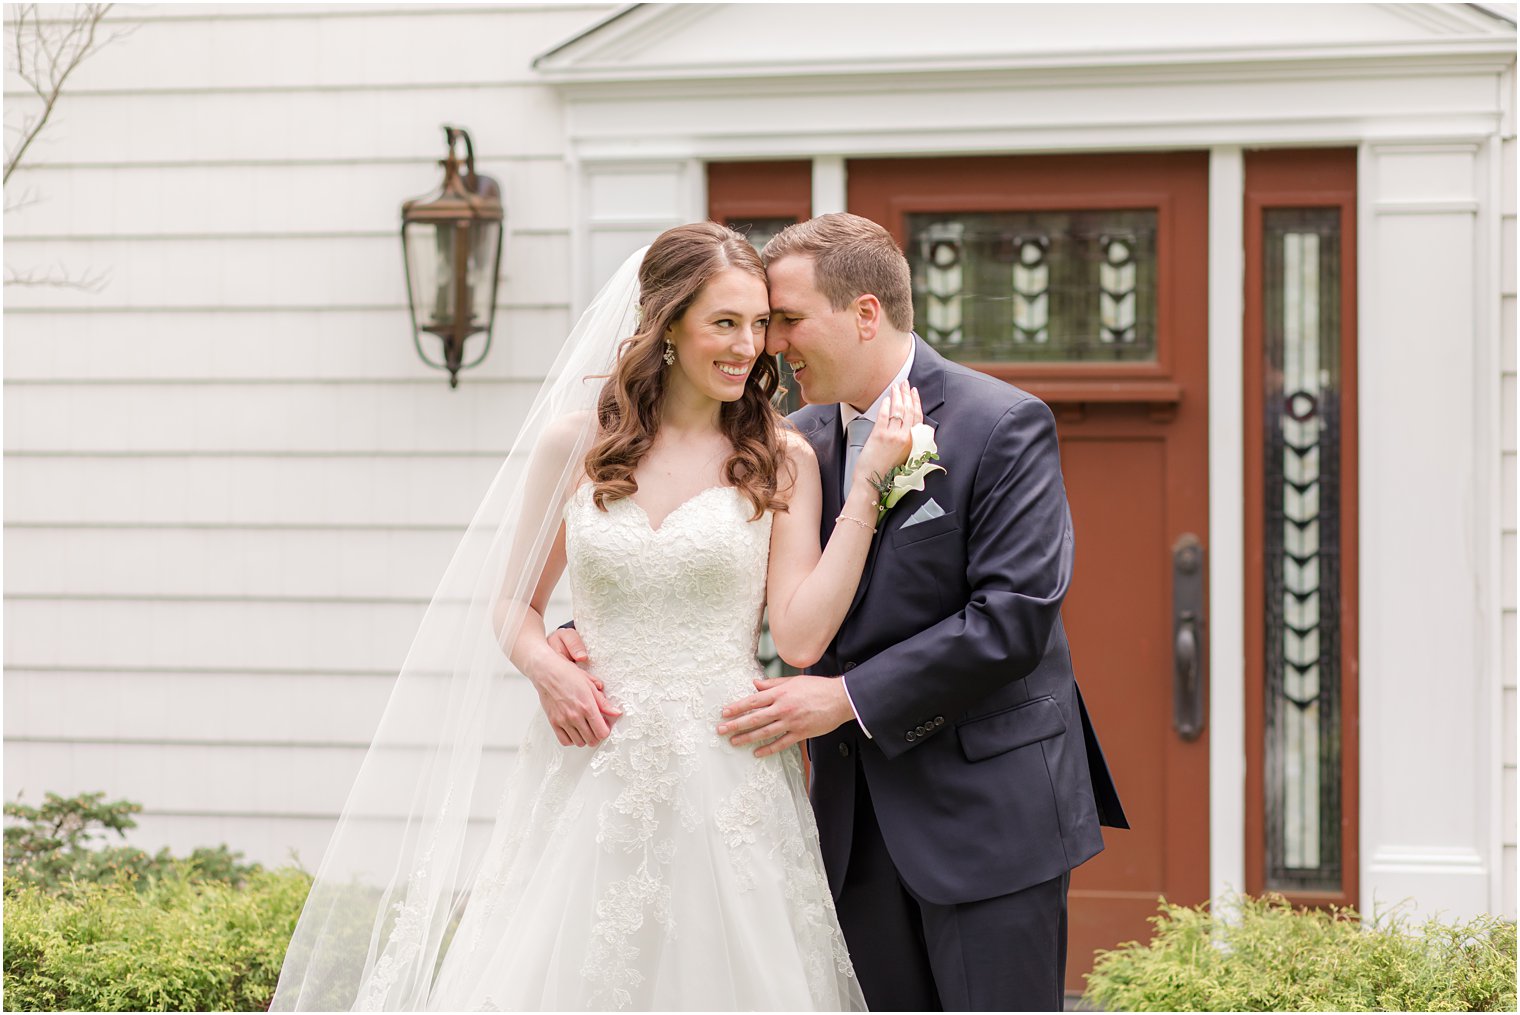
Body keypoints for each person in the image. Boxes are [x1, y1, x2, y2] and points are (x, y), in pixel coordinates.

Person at [272, 222, 922, 1011]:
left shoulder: (782, 456)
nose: (749, 346)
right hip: (588, 767)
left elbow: (801, 636)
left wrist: (864, 493)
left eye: (759, 324)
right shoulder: (574, 445)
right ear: (666, 325)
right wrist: (546, 665)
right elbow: (515, 604)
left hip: (726, 778)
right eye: (725, 322)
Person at [554, 213, 1129, 1012]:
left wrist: (846, 698)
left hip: (987, 813)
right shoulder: (787, 442)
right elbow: (733, 579)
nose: (767, 345)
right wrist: (587, 634)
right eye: (751, 322)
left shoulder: (1001, 423)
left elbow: (1012, 618)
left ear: (864, 313)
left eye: (783, 319)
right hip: (848, 824)